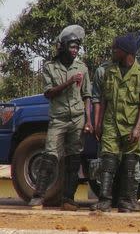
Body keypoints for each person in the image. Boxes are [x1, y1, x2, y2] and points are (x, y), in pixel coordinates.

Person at [29, 25, 92, 210]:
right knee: (50, 156)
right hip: (58, 118)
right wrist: (69, 82)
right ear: (63, 47)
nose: (75, 51)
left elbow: (87, 95)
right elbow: (49, 93)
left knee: (74, 159)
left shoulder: (82, 68)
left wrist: (88, 121)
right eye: (72, 47)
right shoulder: (50, 67)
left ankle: (68, 199)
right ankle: (38, 196)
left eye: (77, 48)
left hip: (77, 118)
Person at [91, 34, 140, 213]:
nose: (112, 52)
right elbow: (103, 99)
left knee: (129, 164)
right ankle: (104, 201)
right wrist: (99, 122)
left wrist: (139, 127)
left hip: (131, 124)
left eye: (115, 49)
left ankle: (126, 201)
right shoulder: (109, 71)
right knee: (108, 161)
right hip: (111, 123)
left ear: (125, 52)